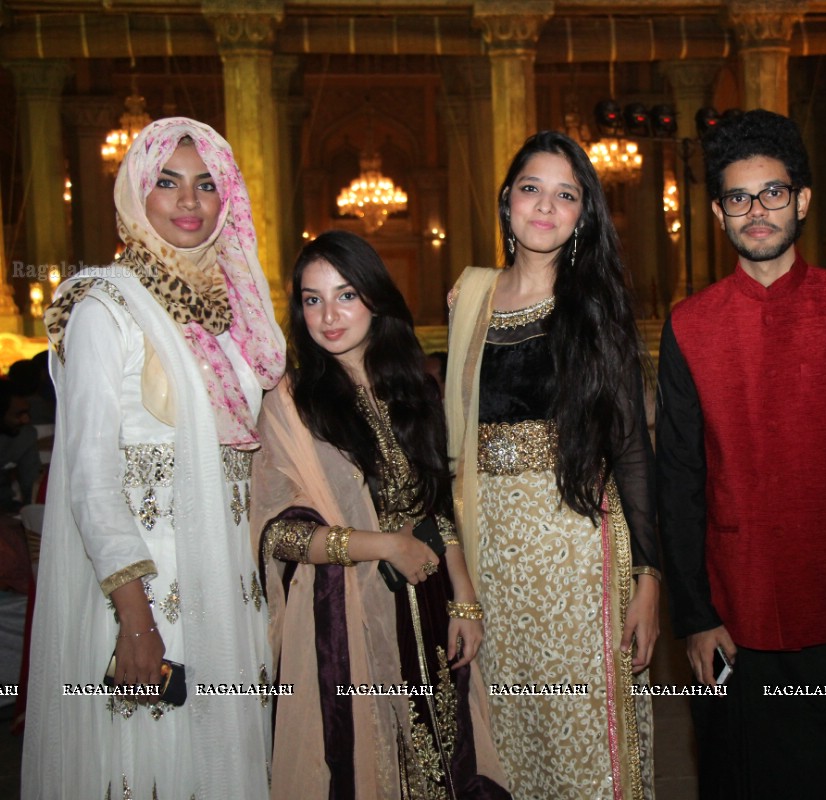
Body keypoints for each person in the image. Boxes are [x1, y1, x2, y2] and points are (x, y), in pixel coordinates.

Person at [656, 109, 826, 799]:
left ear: (801, 200)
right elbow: (677, 481)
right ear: (717, 212)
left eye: (773, 193)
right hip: (733, 617)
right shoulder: (689, 324)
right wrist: (695, 616)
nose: (757, 211)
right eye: (738, 198)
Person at [24, 118, 284, 799]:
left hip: (230, 585)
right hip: (148, 591)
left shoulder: (228, 314)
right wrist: (136, 622)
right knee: (154, 763)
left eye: (206, 185)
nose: (190, 202)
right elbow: (88, 479)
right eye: (167, 183)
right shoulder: (105, 307)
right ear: (137, 192)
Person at [250, 230, 508, 798]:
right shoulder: (292, 403)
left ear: (375, 298)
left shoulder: (413, 387)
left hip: (431, 603)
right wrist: (383, 545)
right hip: (350, 618)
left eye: (345, 295)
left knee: (445, 759)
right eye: (312, 300)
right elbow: (280, 533)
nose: (329, 315)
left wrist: (465, 601)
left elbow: (436, 505)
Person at [444, 130, 659, 799]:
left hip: (577, 554)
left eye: (566, 195)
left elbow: (629, 448)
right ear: (507, 201)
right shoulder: (469, 300)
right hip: (492, 558)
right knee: (509, 734)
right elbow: (449, 443)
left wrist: (650, 577)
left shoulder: (596, 311)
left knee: (586, 736)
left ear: (583, 215)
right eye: (532, 189)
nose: (545, 207)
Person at [0, 380, 40, 511]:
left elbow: (31, 482)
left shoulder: (25, 435)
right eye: (19, 414)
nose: (26, 419)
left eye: (26, 412)